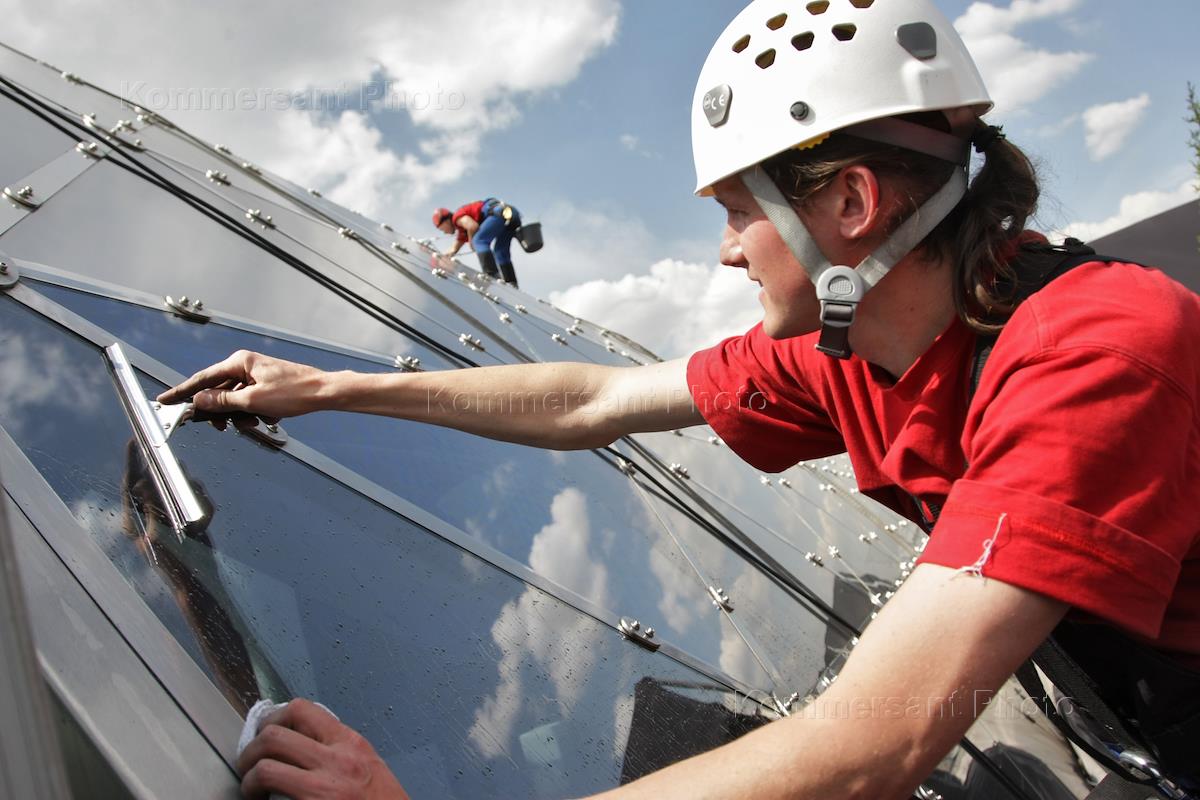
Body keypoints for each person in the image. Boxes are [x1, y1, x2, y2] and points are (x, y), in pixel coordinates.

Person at [161, 1, 1200, 798]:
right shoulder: (859, 348)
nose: (726, 249)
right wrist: (332, 387)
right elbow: (592, 399)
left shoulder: (1095, 356)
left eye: (740, 210)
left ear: (851, 201)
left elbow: (869, 746)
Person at [432, 197, 522, 287]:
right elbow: (453, 249)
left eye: (442, 229)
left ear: (446, 221)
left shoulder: (457, 218)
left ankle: (492, 275)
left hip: (498, 213)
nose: (444, 232)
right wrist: (439, 260)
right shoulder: (462, 230)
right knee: (500, 251)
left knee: (479, 241)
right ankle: (512, 283)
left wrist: (471, 242)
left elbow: (472, 226)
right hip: (511, 215)